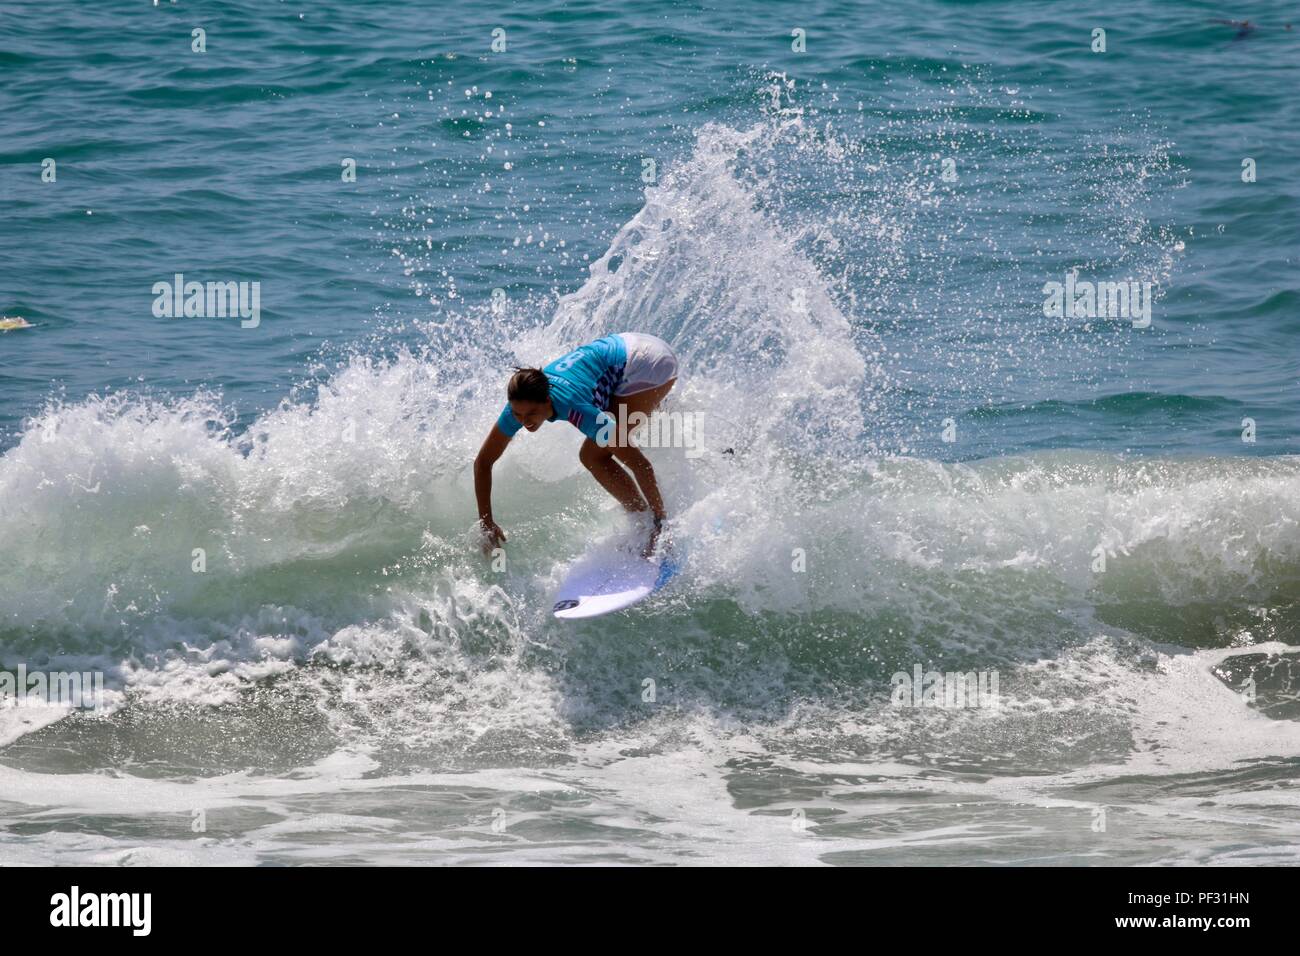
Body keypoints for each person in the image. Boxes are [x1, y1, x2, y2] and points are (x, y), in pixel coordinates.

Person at [474, 332, 678, 556]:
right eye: (518, 414)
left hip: (649, 363)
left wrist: (661, 526)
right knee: (607, 429)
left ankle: (650, 522)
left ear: (548, 400)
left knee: (593, 456)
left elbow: (640, 464)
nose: (524, 421)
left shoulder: (578, 409)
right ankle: (642, 513)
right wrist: (487, 522)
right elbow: (483, 462)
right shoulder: (519, 405)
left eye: (531, 413)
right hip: (625, 346)